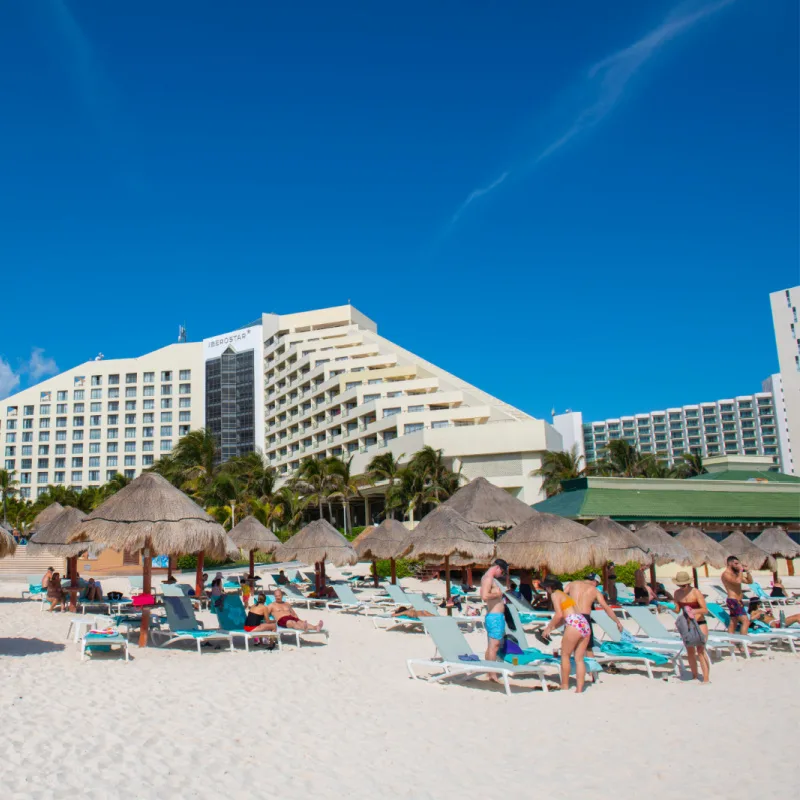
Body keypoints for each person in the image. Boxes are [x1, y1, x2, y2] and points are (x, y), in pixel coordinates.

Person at [541, 577, 600, 693]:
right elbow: (565, 618)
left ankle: (565, 685)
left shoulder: (555, 595)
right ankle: (579, 689)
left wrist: (547, 628)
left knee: (565, 655)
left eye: (546, 587)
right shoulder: (566, 596)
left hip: (573, 624)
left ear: (549, 587)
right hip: (584, 623)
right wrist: (552, 628)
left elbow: (558, 615)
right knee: (579, 658)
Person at [565, 573, 622, 656]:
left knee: (570, 645)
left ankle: (571, 665)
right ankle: (592, 666)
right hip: (584, 618)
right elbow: (606, 608)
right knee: (588, 647)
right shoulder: (594, 590)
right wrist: (617, 622)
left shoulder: (572, 584)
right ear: (595, 582)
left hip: (571, 616)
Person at [672, 571, 711, 683]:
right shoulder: (677, 593)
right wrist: (668, 605)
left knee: (701, 650)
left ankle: (706, 677)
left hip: (700, 622)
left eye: (684, 585)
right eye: (680, 585)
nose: (682, 587)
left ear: (688, 583)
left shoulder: (695, 592)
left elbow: (705, 609)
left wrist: (694, 611)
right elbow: (677, 609)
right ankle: (694, 675)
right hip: (687, 624)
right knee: (690, 651)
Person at [479, 559, 509, 675]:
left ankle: (489, 671)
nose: (502, 574)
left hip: (495, 616)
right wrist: (498, 594)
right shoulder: (488, 578)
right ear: (497, 568)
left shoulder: (488, 578)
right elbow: (484, 596)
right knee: (494, 646)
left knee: (491, 645)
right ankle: (492, 674)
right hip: (495, 616)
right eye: (502, 572)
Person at [721, 556, 752, 635]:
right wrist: (741, 570)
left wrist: (748, 572)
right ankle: (743, 644)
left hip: (738, 601)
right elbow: (737, 582)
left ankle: (731, 643)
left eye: (738, 563)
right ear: (729, 563)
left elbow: (750, 582)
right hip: (733, 600)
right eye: (736, 563)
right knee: (746, 621)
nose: (738, 565)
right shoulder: (726, 574)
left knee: (733, 622)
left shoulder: (736, 573)